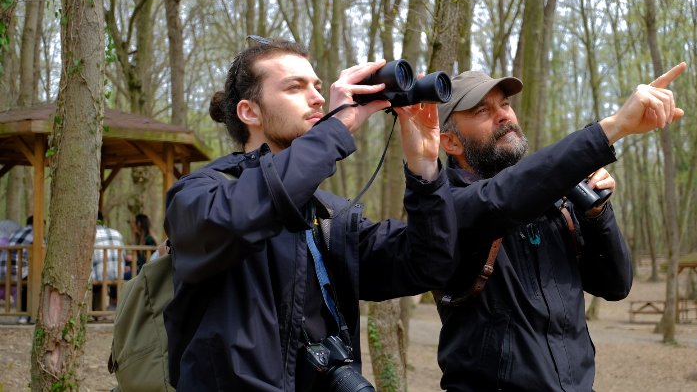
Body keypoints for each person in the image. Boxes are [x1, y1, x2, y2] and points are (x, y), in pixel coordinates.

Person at [163, 37, 457, 390]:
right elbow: (241, 216)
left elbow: (426, 263)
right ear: (249, 112)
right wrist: (338, 127)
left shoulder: (328, 216)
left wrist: (424, 168)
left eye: (317, 86)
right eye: (295, 87)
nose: (318, 98)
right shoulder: (199, 194)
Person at [435, 63, 686, 391]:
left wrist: (596, 214)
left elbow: (615, 285)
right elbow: (500, 198)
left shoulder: (554, 201)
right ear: (451, 142)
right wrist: (613, 128)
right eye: (482, 110)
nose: (503, 116)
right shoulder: (445, 209)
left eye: (505, 104)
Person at [0, 217, 33, 322]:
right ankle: (23, 316)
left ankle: (22, 315)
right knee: (28, 281)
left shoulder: (17, 233)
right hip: (16, 272)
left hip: (2, 270)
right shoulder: (35, 234)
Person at [91, 212, 125, 310]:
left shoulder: (91, 235)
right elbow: (123, 255)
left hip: (99, 276)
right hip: (119, 274)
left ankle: (96, 311)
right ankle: (107, 309)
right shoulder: (117, 233)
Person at [126, 213, 157, 277]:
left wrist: (134, 259)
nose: (132, 225)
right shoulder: (139, 240)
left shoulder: (149, 240)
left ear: (139, 224)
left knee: (122, 276)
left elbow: (148, 260)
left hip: (146, 272)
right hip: (140, 270)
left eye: (134, 222)